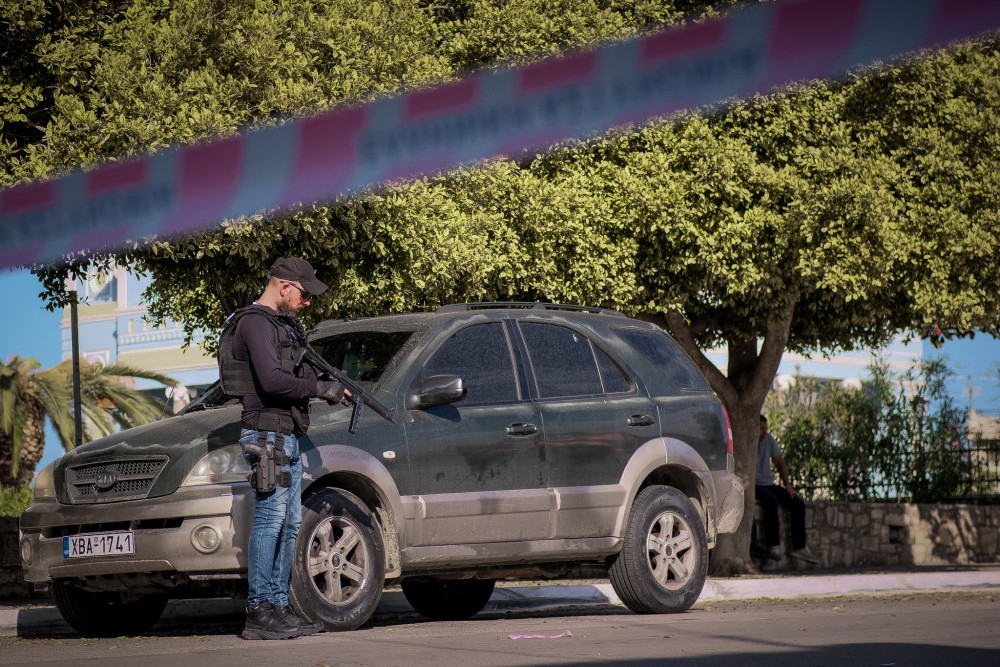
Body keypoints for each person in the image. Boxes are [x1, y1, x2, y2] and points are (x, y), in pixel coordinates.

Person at [218, 257, 348, 640]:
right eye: (304, 294)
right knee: (270, 521)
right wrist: (320, 390)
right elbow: (273, 381)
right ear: (284, 285)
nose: (307, 302)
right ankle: (259, 608)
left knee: (289, 523)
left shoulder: (282, 326)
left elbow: (292, 373)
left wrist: (327, 381)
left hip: (285, 434)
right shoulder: (255, 323)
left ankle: (277, 605)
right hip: (265, 434)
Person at [755, 415, 819, 564]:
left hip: (768, 484)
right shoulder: (748, 441)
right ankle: (773, 546)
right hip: (754, 485)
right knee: (771, 501)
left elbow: (779, 462)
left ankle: (800, 547)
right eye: (761, 429)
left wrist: (788, 486)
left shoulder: (769, 439)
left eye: (765, 428)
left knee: (797, 503)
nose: (764, 432)